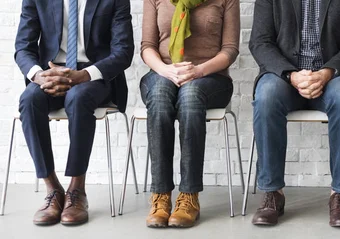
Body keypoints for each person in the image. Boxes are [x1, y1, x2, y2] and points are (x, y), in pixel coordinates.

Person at [249, 0, 340, 227]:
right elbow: (260, 42)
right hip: (285, 76)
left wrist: (326, 73)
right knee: (266, 97)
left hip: (331, 76)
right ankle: (273, 192)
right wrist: (291, 75)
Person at [14, 0, 133, 225]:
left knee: (78, 98)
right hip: (50, 72)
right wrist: (39, 76)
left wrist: (83, 75)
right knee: (29, 99)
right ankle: (53, 189)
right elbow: (23, 47)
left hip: (93, 75)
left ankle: (77, 191)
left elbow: (124, 51)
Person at [140, 0, 239, 228]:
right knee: (160, 97)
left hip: (211, 76)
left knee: (191, 95)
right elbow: (147, 46)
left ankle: (189, 196)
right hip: (163, 71)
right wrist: (165, 70)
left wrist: (198, 70)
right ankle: (160, 195)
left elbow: (230, 50)